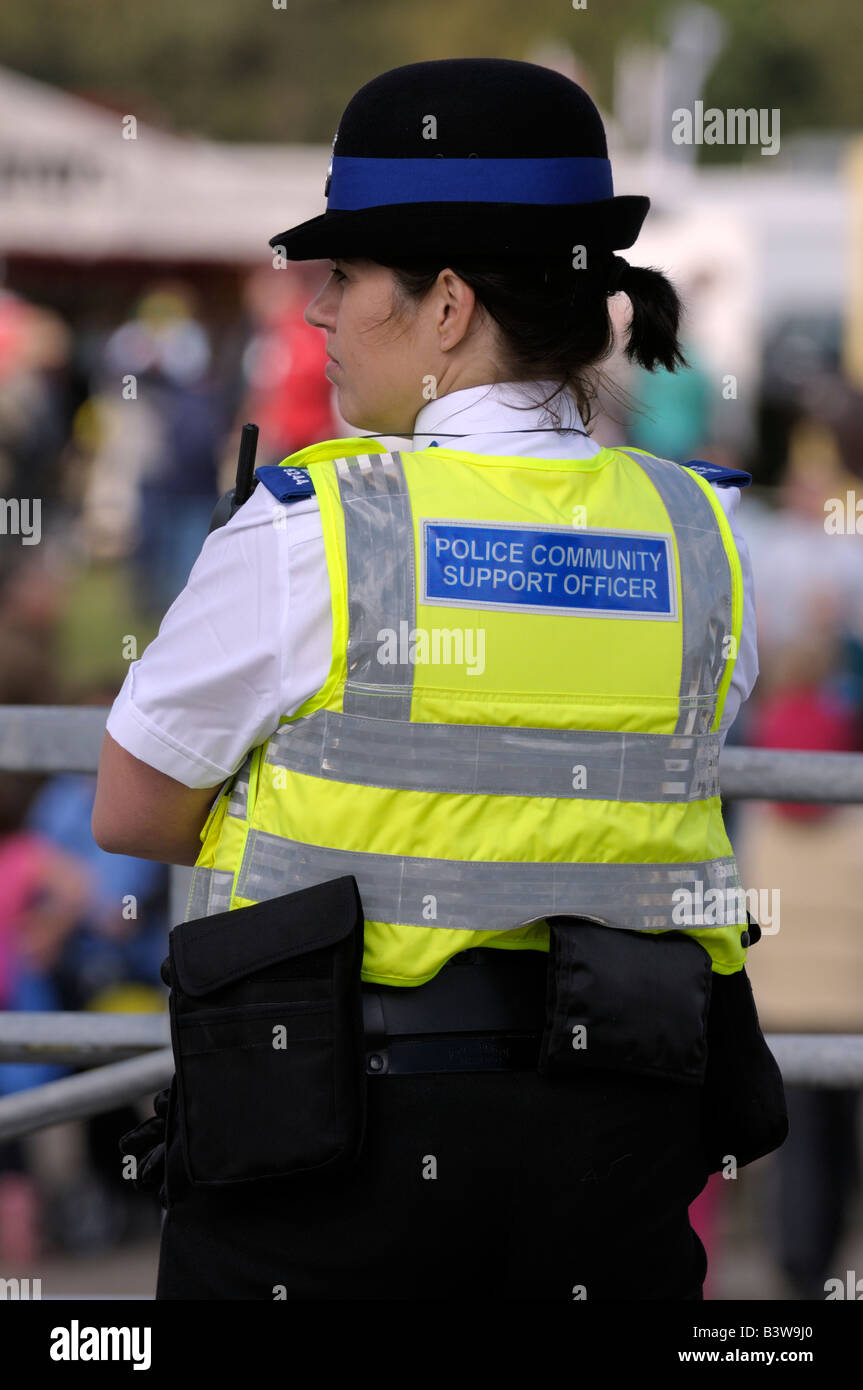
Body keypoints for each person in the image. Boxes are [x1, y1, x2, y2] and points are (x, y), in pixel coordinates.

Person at [92, 57, 787, 1301]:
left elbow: (132, 810)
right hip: (615, 1157)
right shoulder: (702, 537)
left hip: (334, 1157)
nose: (317, 313)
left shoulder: (316, 525)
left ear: (448, 304)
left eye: (344, 277)